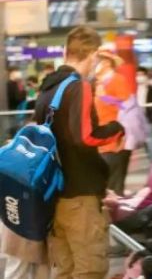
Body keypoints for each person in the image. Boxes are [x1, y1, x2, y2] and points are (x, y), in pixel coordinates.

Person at [32, 26, 124, 279]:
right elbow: (85, 136)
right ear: (93, 54)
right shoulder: (79, 87)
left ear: (66, 52)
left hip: (54, 199)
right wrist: (116, 129)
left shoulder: (47, 89)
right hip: (80, 197)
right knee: (90, 270)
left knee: (65, 272)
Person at [94, 50, 133, 195]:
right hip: (100, 141)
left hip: (115, 141)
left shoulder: (117, 80)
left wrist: (106, 98)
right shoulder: (96, 82)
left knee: (114, 187)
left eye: (97, 60)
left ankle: (116, 216)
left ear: (106, 63)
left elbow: (127, 106)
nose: (94, 64)